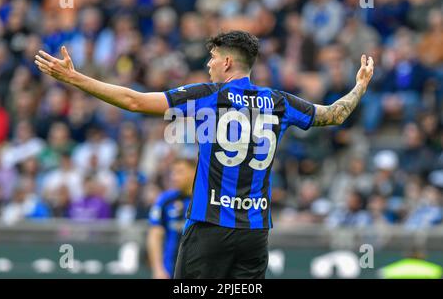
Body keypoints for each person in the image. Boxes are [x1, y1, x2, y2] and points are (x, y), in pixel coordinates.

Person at [34, 30, 374, 278]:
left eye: (212, 58)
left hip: (210, 228)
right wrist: (359, 86)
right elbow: (334, 114)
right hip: (254, 235)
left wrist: (75, 78)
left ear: (227, 62)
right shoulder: (278, 101)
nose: (208, 64)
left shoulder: (209, 95)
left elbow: (134, 101)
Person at [147, 157, 196, 279]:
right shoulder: (165, 200)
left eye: (180, 172)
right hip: (170, 271)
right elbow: (154, 234)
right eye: (173, 172)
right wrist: (158, 269)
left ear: (194, 172)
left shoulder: (206, 200)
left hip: (199, 270)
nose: (174, 177)